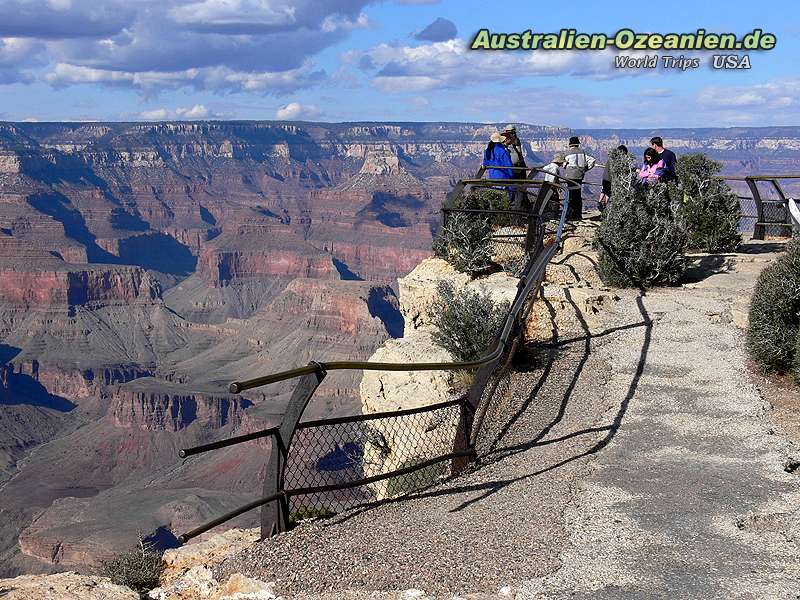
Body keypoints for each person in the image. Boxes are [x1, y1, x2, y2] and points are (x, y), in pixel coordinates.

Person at [563, 136, 596, 220]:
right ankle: (578, 215)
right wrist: (585, 169)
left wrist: (566, 167)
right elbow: (592, 160)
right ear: (577, 144)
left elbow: (564, 164)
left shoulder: (567, 153)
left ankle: (570, 214)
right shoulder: (582, 152)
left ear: (570, 144)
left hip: (570, 176)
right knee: (578, 195)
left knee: (570, 195)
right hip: (580, 176)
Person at [501, 124, 529, 210]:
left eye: (513, 132)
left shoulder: (517, 141)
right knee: (513, 187)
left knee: (520, 187)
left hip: (520, 166)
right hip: (512, 167)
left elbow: (519, 154)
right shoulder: (505, 141)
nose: (512, 134)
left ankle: (522, 205)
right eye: (510, 133)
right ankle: (514, 205)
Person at [599, 144, 628, 212]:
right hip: (610, 179)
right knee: (608, 192)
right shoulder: (617, 160)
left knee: (604, 190)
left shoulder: (612, 157)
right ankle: (604, 205)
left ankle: (600, 202)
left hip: (605, 177)